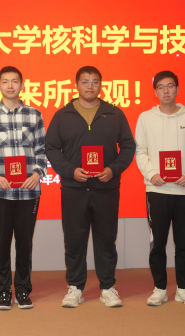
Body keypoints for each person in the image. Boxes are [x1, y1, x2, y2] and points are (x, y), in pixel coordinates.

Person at [46, 66, 135, 308]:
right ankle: (75, 288)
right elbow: (51, 148)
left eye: (95, 81)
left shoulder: (114, 113)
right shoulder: (63, 115)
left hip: (106, 188)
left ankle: (107, 287)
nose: (90, 86)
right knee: (74, 240)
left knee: (106, 240)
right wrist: (70, 171)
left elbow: (128, 147)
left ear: (100, 85)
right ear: (76, 85)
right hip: (73, 189)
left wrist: (113, 169)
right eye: (85, 81)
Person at [0, 66, 47, 311]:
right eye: (5, 81)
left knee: (25, 244)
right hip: (0, 192)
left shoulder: (34, 115)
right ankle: (4, 292)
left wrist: (37, 173)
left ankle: (23, 290)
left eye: (15, 81)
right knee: (2, 243)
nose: (10, 86)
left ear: (22, 85)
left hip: (28, 192)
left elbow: (42, 150)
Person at [135, 71, 185, 307]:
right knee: (158, 242)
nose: (166, 91)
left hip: (183, 190)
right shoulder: (145, 118)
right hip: (157, 191)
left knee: (184, 242)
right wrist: (151, 174)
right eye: (161, 87)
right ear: (155, 91)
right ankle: (160, 288)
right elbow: (140, 151)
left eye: (170, 86)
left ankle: (183, 288)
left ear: (177, 89)